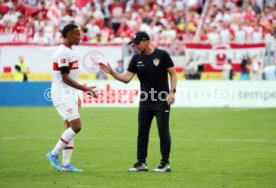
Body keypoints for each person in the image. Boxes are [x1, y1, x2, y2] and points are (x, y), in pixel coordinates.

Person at [100, 31, 177, 172]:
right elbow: (126, 79)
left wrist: (172, 92)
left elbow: (173, 73)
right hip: (145, 101)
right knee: (142, 133)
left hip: (161, 100)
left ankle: (165, 163)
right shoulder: (136, 59)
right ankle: (141, 163)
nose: (135, 46)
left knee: (163, 131)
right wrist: (112, 73)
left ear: (146, 41)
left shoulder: (162, 55)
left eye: (137, 43)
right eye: (134, 44)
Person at [47, 24, 98, 172]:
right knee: (77, 126)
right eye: (76, 34)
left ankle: (66, 165)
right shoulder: (62, 52)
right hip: (62, 94)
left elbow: (72, 77)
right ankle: (53, 154)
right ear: (69, 35)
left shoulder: (69, 51)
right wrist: (85, 89)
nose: (79, 37)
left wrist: (77, 95)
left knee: (70, 129)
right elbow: (65, 78)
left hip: (69, 94)